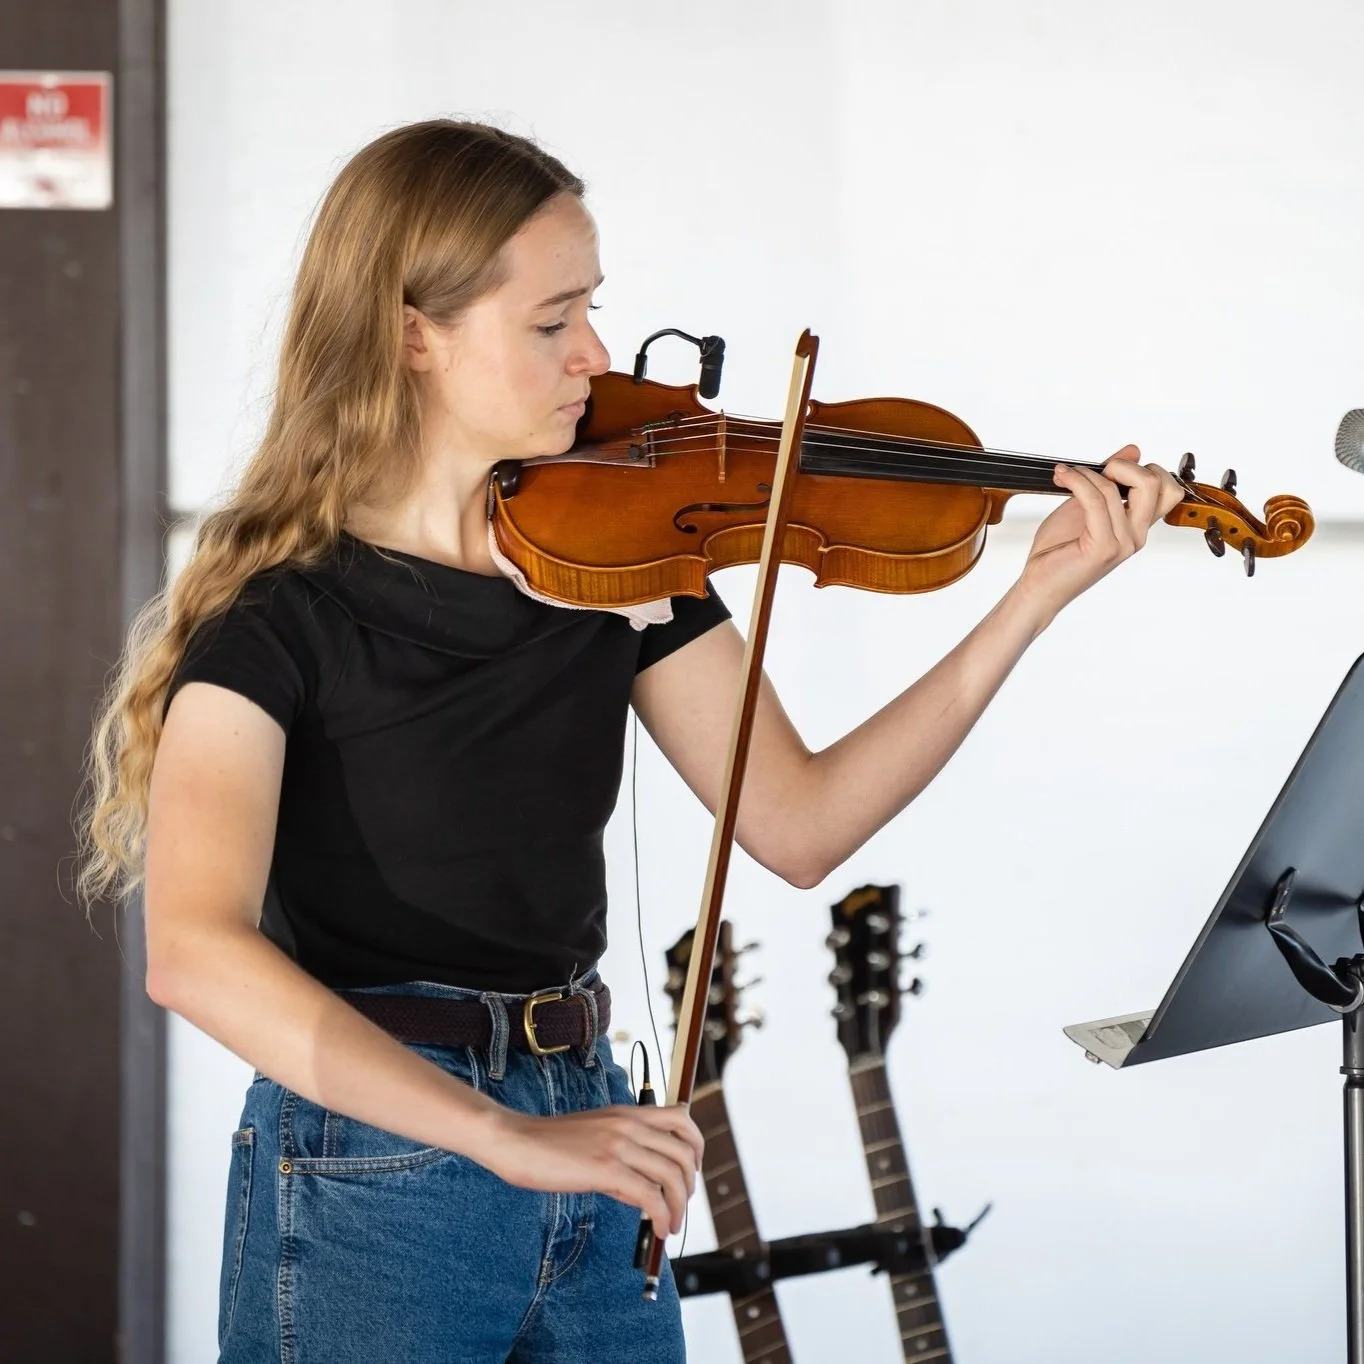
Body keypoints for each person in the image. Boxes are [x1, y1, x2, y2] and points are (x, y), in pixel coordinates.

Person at [78, 119, 1182, 1363]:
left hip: (599, 1125)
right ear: (411, 334)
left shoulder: (616, 563)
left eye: (592, 312)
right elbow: (193, 953)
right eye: (551, 322)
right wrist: (501, 1135)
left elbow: (801, 823)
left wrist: (1026, 599)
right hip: (376, 1168)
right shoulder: (281, 619)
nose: (593, 357)